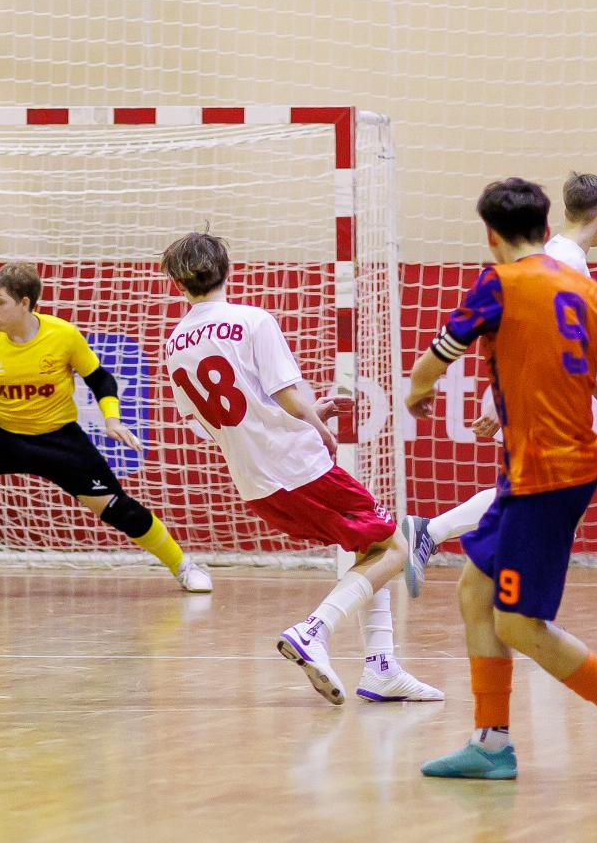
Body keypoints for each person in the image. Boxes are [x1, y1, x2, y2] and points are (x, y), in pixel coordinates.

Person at [408, 178, 597, 779]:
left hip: (544, 478)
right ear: (546, 229)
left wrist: (418, 390)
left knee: (518, 623)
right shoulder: (590, 291)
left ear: (491, 236)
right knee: (474, 591)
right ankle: (490, 743)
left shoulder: (497, 283)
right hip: (543, 472)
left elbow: (438, 357)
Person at [159, 231, 441, 704]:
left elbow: (207, 424)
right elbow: (287, 395)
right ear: (227, 269)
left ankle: (382, 668)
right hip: (298, 466)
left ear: (177, 284)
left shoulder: (173, 345)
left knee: (370, 543)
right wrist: (315, 424)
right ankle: (314, 631)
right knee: (395, 546)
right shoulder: (252, 320)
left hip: (254, 482)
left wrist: (296, 418)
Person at [0, 263, 212, 593]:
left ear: (24, 303)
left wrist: (112, 419)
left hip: (59, 439)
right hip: (2, 433)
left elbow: (100, 379)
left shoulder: (63, 335)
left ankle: (183, 565)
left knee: (119, 509)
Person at [401, 173, 597, 593]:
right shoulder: (564, 260)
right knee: (543, 500)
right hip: (531, 400)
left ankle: (438, 538)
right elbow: (524, 335)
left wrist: (592, 379)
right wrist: (496, 401)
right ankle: (446, 544)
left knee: (535, 498)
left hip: (535, 395)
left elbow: (547, 340)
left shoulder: (563, 256)